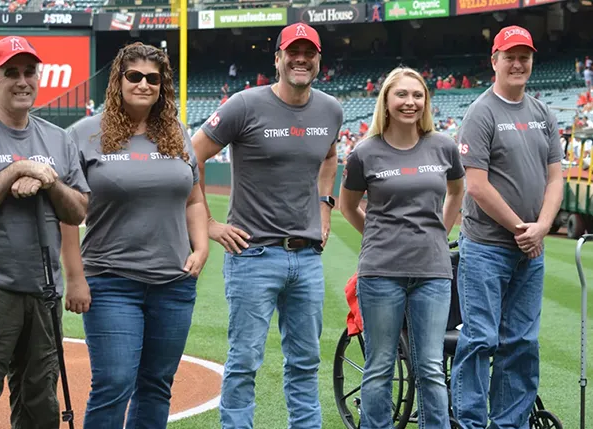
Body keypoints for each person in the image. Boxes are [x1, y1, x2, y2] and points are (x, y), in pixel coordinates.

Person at [192, 22, 343, 429]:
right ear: (277, 59)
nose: (300, 59)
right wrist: (207, 222)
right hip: (252, 255)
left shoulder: (330, 109)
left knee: (305, 361)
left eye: (308, 53)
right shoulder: (244, 104)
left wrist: (325, 206)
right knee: (243, 361)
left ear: (317, 61)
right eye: (292, 52)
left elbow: (330, 158)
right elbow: (193, 155)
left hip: (307, 257)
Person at [61, 42, 209, 429]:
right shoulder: (85, 133)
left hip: (173, 283)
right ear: (118, 81)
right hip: (111, 281)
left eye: (153, 78)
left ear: (163, 85)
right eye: (134, 76)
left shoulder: (176, 132)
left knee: (157, 385)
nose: (144, 84)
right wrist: (75, 277)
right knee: (114, 383)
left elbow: (194, 199)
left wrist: (203, 246)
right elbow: (67, 212)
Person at [451, 26, 564, 429]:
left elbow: (556, 177)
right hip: (487, 248)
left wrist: (544, 226)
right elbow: (477, 186)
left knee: (522, 343)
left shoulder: (542, 112)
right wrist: (523, 228)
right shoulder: (481, 112)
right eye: (510, 56)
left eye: (525, 57)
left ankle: (509, 424)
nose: (518, 64)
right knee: (480, 340)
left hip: (530, 249)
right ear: (494, 61)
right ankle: (469, 423)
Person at [339, 66, 465, 429]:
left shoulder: (443, 146)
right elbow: (349, 205)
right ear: (386, 101)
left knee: (429, 368)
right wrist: (377, 235)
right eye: (402, 95)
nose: (410, 102)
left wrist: (440, 231)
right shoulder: (365, 152)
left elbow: (457, 190)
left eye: (417, 95)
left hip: (433, 273)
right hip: (381, 272)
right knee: (380, 366)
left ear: (425, 101)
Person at [0, 35, 89, 428]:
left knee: (39, 400)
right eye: (10, 72)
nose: (22, 80)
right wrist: (16, 170)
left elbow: (79, 208)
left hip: (43, 289)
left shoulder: (57, 138)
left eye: (29, 72)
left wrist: (48, 181)